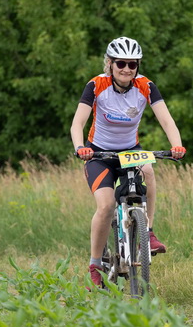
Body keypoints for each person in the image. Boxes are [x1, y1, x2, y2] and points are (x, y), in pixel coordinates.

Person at [70, 36, 186, 287]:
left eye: (132, 64)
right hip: (98, 154)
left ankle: (148, 233)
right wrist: (80, 148)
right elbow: (77, 122)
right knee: (105, 206)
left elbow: (167, 120)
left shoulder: (146, 86)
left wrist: (176, 145)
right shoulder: (96, 85)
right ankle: (95, 264)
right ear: (110, 64)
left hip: (129, 151)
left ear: (137, 66)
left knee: (149, 171)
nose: (126, 69)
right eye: (120, 63)